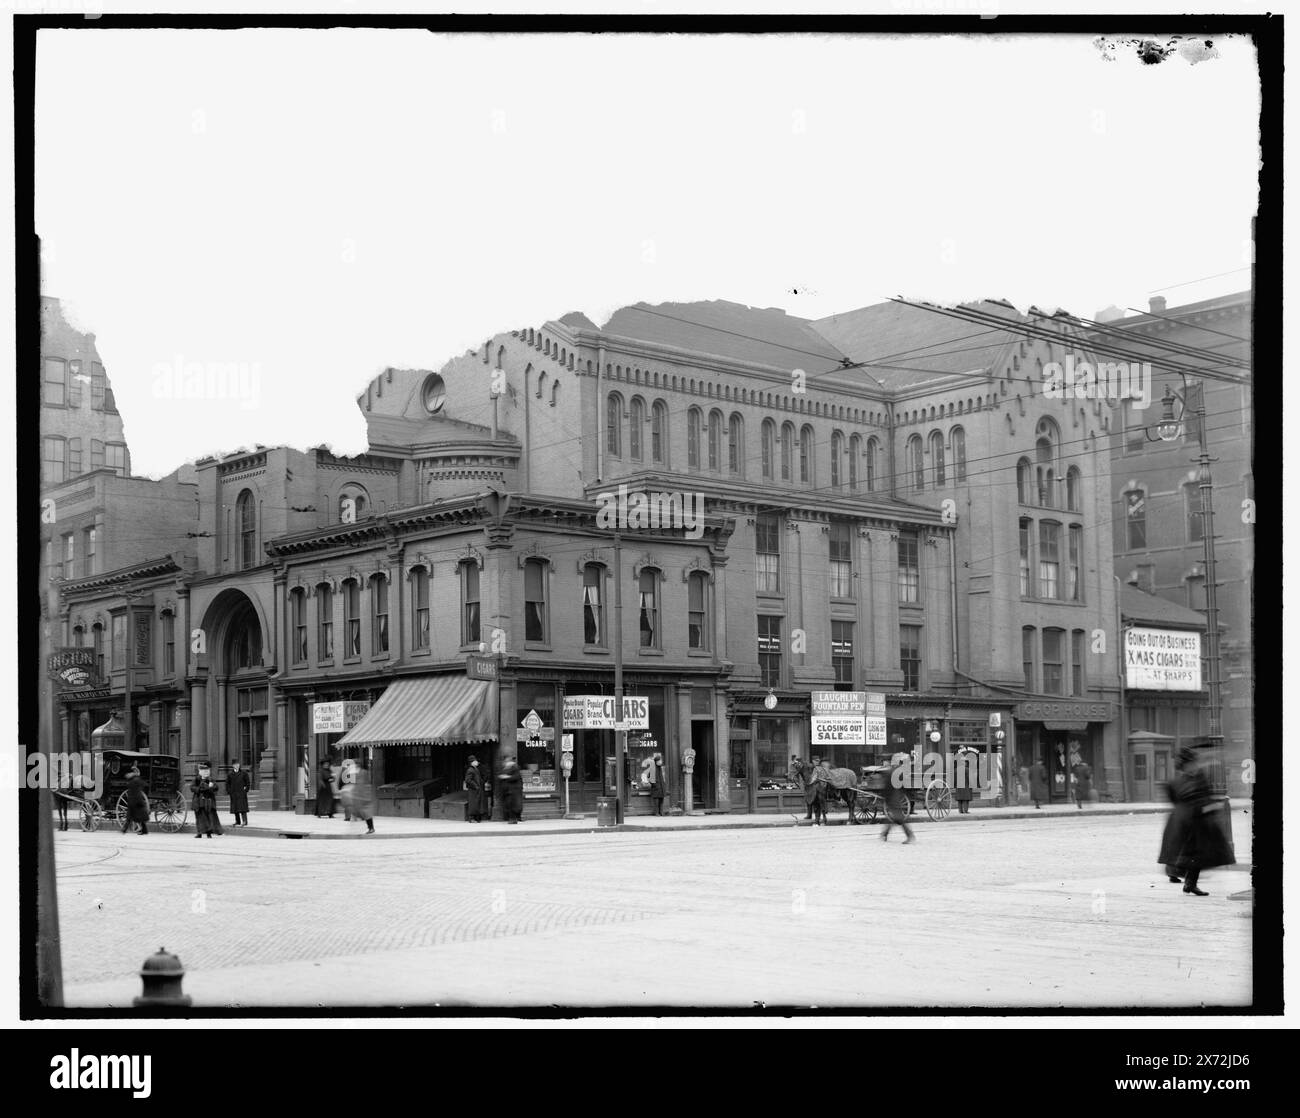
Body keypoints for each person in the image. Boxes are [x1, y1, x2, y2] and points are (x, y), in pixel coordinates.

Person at [1161, 745, 1235, 896]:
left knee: (1197, 854)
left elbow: (1204, 795)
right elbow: (1177, 799)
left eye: (1194, 763)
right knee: (1189, 853)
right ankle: (1181, 877)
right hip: (1185, 822)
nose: (1193, 766)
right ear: (1184, 766)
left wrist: (1210, 807)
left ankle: (1190, 883)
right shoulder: (1178, 781)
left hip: (1198, 821)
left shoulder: (1199, 776)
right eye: (1190, 764)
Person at [880, 752, 915, 843]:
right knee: (895, 817)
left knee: (898, 818)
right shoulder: (896, 771)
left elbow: (887, 787)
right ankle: (885, 834)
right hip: (895, 795)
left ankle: (909, 835)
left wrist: (886, 797)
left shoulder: (890, 772)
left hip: (892, 796)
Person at [191, 763, 223, 838]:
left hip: (208, 802)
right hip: (199, 802)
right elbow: (192, 787)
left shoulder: (210, 779)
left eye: (207, 771)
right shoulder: (197, 779)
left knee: (209, 817)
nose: (206, 772)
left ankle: (209, 833)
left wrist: (211, 787)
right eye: (204, 771)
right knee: (199, 818)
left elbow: (216, 787)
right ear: (200, 771)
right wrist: (200, 789)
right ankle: (199, 833)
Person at [121, 767, 151, 835]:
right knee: (140, 816)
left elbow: (129, 787)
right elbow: (144, 785)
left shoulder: (132, 782)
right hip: (138, 800)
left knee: (130, 816)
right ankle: (144, 830)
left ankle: (124, 829)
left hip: (133, 801)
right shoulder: (138, 780)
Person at [350, 758, 376, 834]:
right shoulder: (355, 773)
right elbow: (356, 784)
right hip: (358, 797)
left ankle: (371, 828)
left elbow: (367, 784)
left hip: (364, 797)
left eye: (355, 764)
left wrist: (366, 795)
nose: (354, 766)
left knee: (366, 813)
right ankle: (369, 827)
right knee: (363, 812)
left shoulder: (364, 772)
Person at [498, 754, 524, 823]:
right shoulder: (506, 768)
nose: (507, 763)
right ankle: (513, 818)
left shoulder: (515, 768)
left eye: (508, 761)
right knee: (510, 805)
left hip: (514, 791)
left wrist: (506, 777)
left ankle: (514, 819)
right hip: (509, 791)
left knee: (514, 805)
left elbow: (516, 777)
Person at [953, 746, 977, 815]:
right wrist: (973, 785)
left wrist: (954, 785)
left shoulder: (956, 770)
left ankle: (960, 811)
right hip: (966, 786)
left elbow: (954, 779)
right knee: (966, 799)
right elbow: (970, 778)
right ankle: (965, 810)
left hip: (959, 786)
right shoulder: (967, 769)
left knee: (960, 799)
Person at [227, 759, 251, 827]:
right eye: (235, 764)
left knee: (243, 808)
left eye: (238, 764)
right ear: (233, 766)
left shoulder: (244, 773)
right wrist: (229, 791)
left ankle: (244, 821)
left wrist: (245, 790)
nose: (237, 766)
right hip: (234, 793)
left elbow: (248, 782)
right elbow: (227, 784)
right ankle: (237, 821)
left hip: (241, 793)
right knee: (235, 808)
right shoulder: (230, 774)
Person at [464, 755, 488, 822]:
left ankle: (476, 818)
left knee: (477, 803)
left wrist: (481, 783)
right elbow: (468, 780)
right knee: (473, 804)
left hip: (476, 790)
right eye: (475, 761)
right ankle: (471, 818)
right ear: (472, 762)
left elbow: (478, 778)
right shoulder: (470, 770)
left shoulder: (475, 769)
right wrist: (476, 786)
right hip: (473, 790)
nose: (477, 762)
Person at [648, 752, 666, 816]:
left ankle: (661, 812)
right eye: (660, 760)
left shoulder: (660, 768)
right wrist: (655, 785)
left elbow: (663, 777)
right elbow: (650, 778)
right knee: (656, 801)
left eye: (661, 760)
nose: (661, 762)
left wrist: (663, 785)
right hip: (656, 788)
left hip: (661, 787)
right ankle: (656, 812)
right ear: (656, 761)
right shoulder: (653, 768)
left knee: (661, 800)